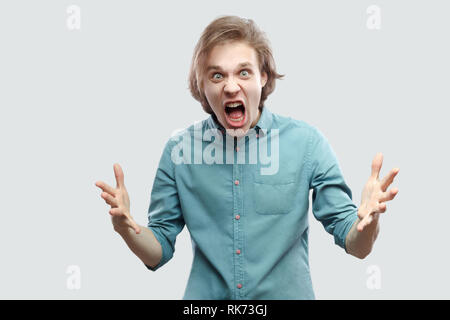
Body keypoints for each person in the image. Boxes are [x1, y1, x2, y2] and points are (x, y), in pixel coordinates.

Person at [95, 15, 399, 299]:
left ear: (263, 77)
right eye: (216, 75)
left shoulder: (307, 143)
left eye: (243, 72)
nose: (230, 86)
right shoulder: (179, 152)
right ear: (202, 85)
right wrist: (126, 229)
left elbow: (356, 244)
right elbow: (158, 249)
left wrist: (367, 224)